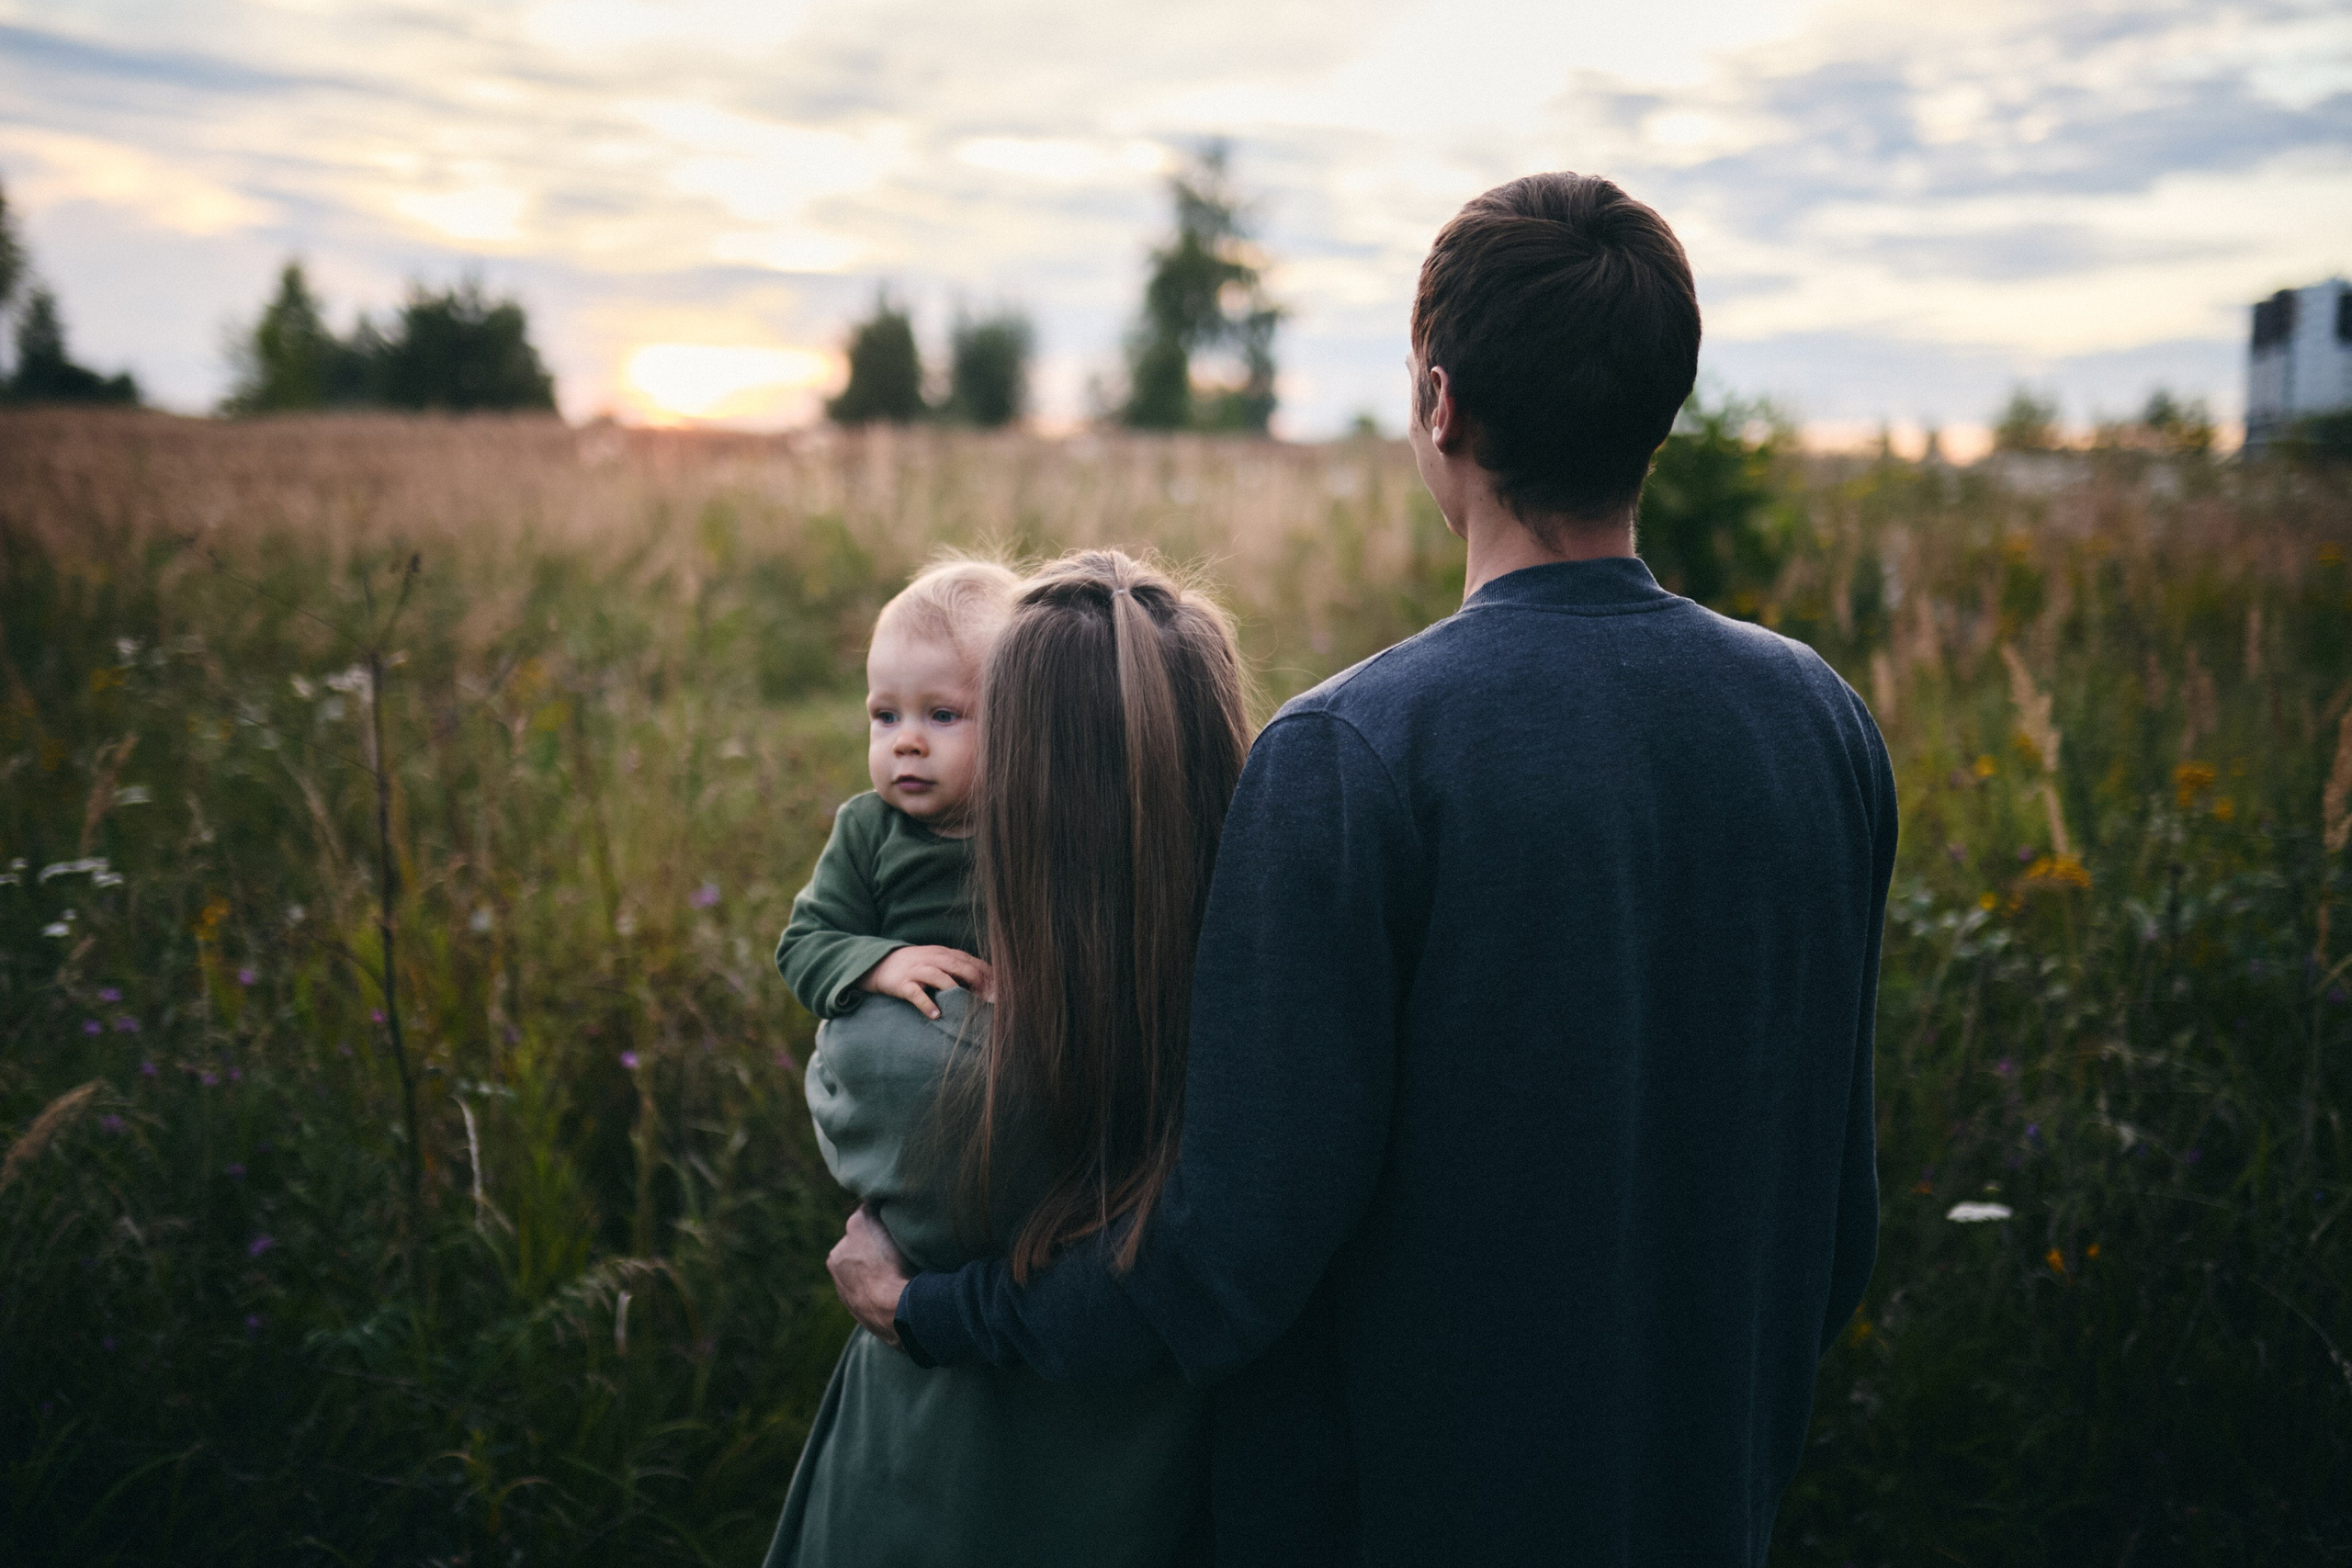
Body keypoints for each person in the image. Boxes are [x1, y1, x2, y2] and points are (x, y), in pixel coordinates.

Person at [825, 172, 1899, 1565]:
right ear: (1661, 413)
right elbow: (1837, 1226)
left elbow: (1223, 1265)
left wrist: (935, 1310)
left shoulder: (1357, 752)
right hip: (1703, 1499)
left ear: (1439, 405)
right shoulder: (1820, 720)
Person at [766, 549, 1253, 1566]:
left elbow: (851, 1087)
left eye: (951, 717)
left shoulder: (925, 1063)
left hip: (953, 1474)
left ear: (1031, 764)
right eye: (883, 716)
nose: (907, 744)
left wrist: (911, 1301)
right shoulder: (1246, 980)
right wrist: (881, 957)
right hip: (1172, 1473)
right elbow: (809, 946)